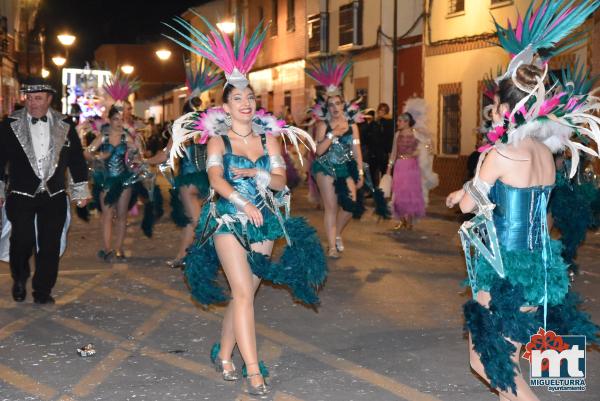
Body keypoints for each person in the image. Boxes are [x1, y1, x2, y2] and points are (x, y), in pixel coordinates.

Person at [165, 15, 327, 396]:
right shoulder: (217, 140)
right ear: (225, 105)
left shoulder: (270, 139)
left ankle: (223, 353)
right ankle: (253, 370)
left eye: (250, 97)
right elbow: (217, 181)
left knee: (245, 294)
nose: (245, 103)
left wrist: (256, 179)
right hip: (227, 219)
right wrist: (240, 198)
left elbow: (279, 180)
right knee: (241, 292)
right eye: (237, 98)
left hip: (265, 221)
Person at [446, 1, 599, 399]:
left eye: (494, 106)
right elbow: (520, 201)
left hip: (504, 268)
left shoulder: (497, 155)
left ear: (504, 108)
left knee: (488, 362)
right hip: (541, 266)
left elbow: (469, 207)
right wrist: (468, 188)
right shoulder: (545, 153)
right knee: (508, 363)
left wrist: (467, 186)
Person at [0, 77, 90, 304]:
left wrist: (80, 191)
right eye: (28, 98)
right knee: (22, 239)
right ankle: (19, 278)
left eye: (38, 98)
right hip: (21, 193)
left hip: (55, 194)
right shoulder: (9, 124)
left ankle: (43, 290)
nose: (32, 103)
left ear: (49, 99)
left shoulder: (65, 124)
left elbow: (77, 160)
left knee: (50, 244)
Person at [306, 57, 389, 258]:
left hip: (345, 168)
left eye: (338, 103)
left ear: (344, 104)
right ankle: (332, 247)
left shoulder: (352, 126)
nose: (335, 107)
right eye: (331, 104)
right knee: (331, 207)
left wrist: (360, 172)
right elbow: (318, 151)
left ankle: (336, 235)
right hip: (325, 167)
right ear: (327, 107)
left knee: (351, 207)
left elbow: (356, 150)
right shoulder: (323, 125)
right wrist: (332, 133)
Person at [146, 58, 222, 268]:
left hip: (190, 182)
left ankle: (201, 257)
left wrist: (147, 161)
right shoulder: (209, 128)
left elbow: (165, 154)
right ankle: (186, 257)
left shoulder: (183, 129)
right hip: (206, 181)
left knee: (197, 222)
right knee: (196, 221)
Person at [386, 112, 425, 230]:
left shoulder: (416, 133)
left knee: (411, 194)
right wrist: (389, 167)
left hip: (412, 166)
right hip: (399, 165)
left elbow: (427, 147)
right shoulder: (397, 134)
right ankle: (402, 220)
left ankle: (410, 221)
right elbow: (393, 152)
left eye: (399, 121)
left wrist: (418, 152)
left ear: (406, 121)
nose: (397, 123)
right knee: (399, 193)